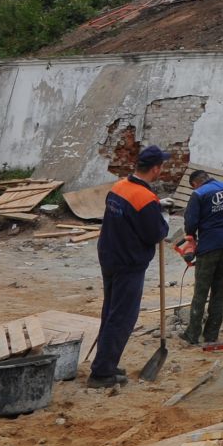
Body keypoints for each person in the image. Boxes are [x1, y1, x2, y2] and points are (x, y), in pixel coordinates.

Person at [88, 146, 170, 387]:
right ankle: (102, 373)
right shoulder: (145, 198)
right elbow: (155, 233)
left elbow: (130, 217)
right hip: (128, 262)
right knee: (122, 316)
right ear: (155, 169)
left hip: (110, 256)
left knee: (111, 311)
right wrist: (162, 218)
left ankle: (106, 363)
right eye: (161, 167)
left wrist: (156, 208)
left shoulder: (120, 187)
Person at [180, 169, 223, 345]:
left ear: (195, 183)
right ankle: (211, 334)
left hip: (209, 246)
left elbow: (191, 223)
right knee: (220, 291)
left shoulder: (198, 194)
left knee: (201, 291)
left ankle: (193, 333)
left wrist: (191, 237)